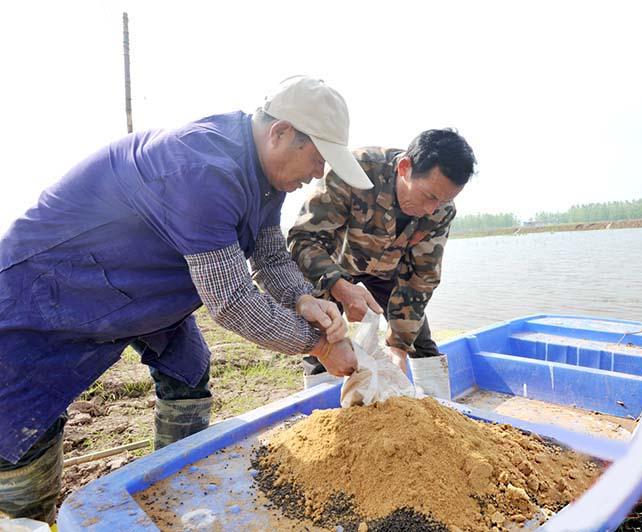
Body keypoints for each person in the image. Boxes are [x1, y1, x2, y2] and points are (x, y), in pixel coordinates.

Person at [0, 76, 371, 523]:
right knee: (22, 427)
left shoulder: (267, 175)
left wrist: (302, 299)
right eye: (317, 159)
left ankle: (169, 491)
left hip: (145, 286)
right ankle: (27, 516)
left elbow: (270, 255)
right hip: (54, 286)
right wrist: (321, 346)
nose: (318, 174)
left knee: (188, 372)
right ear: (281, 133)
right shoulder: (203, 168)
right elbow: (233, 301)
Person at [287, 129, 476, 396]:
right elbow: (304, 239)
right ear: (405, 168)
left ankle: (436, 410)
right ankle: (321, 414)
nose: (431, 210)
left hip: (390, 272)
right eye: (429, 196)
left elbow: (421, 279)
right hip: (335, 268)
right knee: (322, 335)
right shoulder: (354, 171)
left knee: (417, 340)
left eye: (444, 201)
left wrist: (398, 348)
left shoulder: (441, 210)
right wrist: (339, 287)